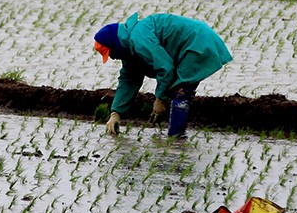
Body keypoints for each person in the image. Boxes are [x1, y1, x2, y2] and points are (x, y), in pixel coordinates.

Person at [94, 12, 232, 138]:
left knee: (181, 92)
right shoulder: (130, 49)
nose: (112, 58)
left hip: (197, 42)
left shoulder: (138, 40)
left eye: (110, 53)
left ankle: (176, 139)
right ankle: (175, 136)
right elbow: (129, 80)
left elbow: (165, 67)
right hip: (196, 40)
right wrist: (116, 113)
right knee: (175, 91)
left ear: (114, 44)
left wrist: (160, 99)